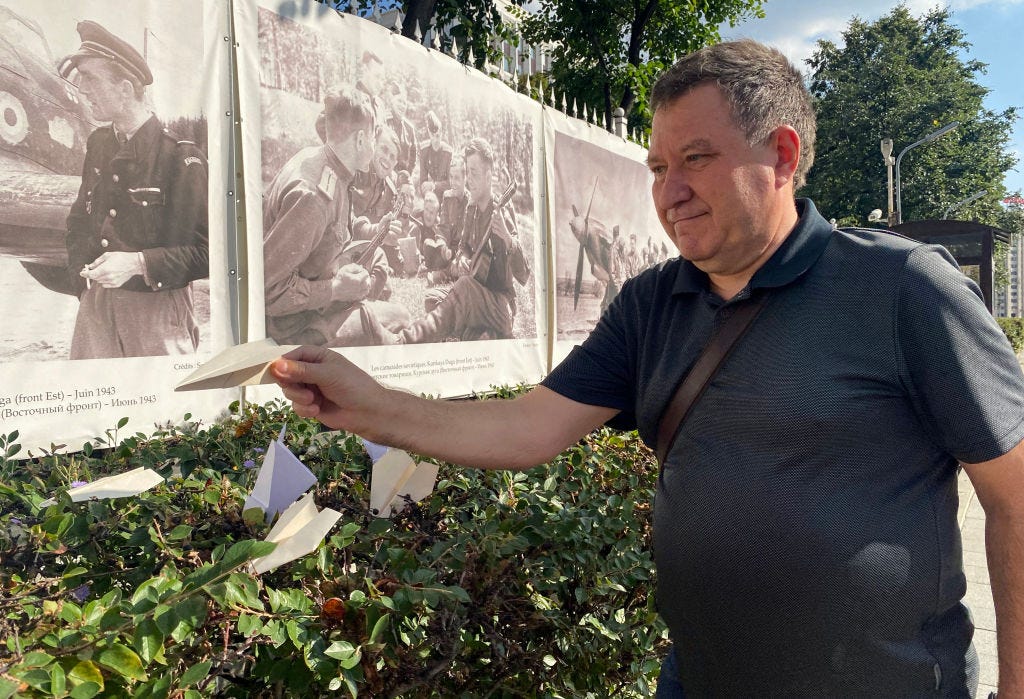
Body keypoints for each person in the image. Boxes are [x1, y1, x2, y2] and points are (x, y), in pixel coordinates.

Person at [271, 39, 1024, 697]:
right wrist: (369, 404)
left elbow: (1015, 494)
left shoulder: (903, 289)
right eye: (659, 165)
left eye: (696, 159)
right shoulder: (650, 304)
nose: (669, 192)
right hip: (696, 680)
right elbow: (528, 424)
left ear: (783, 155)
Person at [59, 20, 208, 359]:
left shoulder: (180, 157)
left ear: (125, 89)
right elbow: (78, 221)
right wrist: (81, 282)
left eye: (91, 79)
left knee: (165, 410)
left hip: (156, 315)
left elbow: (208, 252)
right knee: (92, 405)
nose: (83, 89)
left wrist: (138, 263)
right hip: (95, 310)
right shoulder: (99, 144)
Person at [262, 85, 408, 347]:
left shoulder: (325, 166)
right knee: (385, 334)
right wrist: (337, 289)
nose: (376, 148)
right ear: (361, 140)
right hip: (291, 329)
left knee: (401, 316)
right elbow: (269, 292)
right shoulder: (314, 197)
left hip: (311, 310)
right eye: (375, 138)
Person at [396, 136, 529, 343]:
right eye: (468, 173)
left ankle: (408, 340)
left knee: (463, 288)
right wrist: (462, 259)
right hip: (476, 296)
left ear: (488, 175)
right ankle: (481, 335)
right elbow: (463, 247)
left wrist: (506, 236)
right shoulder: (471, 208)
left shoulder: (502, 209)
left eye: (474, 173)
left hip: (501, 304)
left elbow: (524, 274)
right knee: (433, 300)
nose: (469, 180)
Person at [418, 110, 453, 196]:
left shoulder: (448, 153)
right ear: (429, 133)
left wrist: (434, 185)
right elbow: (423, 181)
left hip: (447, 194)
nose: (435, 140)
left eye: (438, 135)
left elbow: (451, 183)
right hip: (432, 194)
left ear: (441, 133)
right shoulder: (424, 150)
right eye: (433, 135)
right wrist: (427, 197)